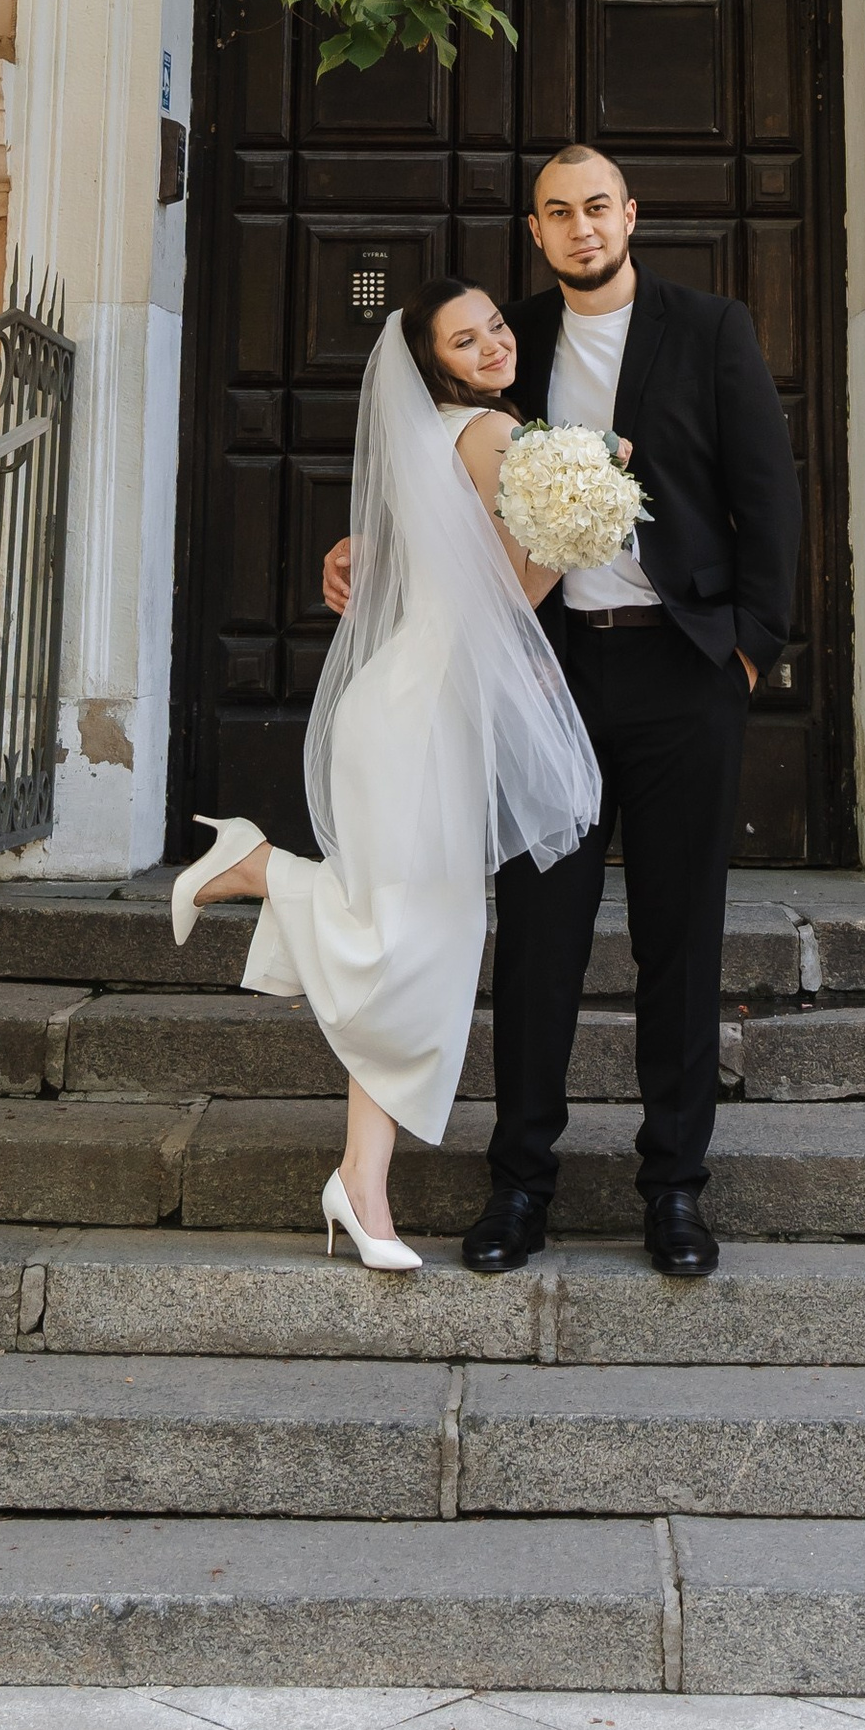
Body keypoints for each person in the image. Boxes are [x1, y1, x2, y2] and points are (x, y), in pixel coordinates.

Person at [324, 144, 803, 1282]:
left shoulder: (710, 327)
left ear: (630, 213)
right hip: (546, 677)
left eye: (598, 206)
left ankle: (674, 1190)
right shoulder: (508, 342)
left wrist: (746, 653)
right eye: (558, 213)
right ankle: (520, 1187)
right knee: (538, 943)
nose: (582, 228)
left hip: (686, 674)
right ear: (534, 233)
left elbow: (768, 497)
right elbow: (437, 475)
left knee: (678, 944)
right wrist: (368, 547)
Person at [168, 280, 598, 1270]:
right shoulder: (489, 436)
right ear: (437, 364)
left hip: (415, 709)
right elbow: (512, 599)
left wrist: (566, 519)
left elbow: (449, 574)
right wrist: (578, 532)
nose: (492, 343)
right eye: (466, 337)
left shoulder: (458, 433)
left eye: (494, 325)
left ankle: (361, 1185)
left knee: (424, 952)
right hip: (415, 721)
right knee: (409, 942)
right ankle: (260, 867)